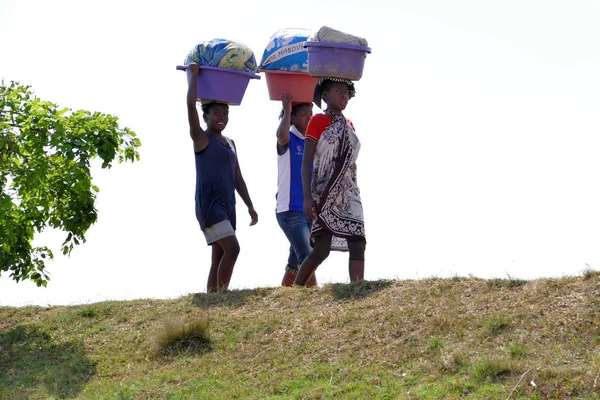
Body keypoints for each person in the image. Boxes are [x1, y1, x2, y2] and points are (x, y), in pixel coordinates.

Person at [186, 62, 258, 293]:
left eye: (225, 113)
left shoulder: (231, 143)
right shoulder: (201, 139)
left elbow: (238, 178)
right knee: (233, 249)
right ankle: (223, 294)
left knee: (218, 254)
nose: (221, 117)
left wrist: (250, 206)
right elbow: (189, 106)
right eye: (216, 113)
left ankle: (212, 297)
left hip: (229, 205)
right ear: (205, 116)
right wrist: (193, 77)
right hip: (209, 204)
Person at [294, 76, 366, 286]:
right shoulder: (317, 121)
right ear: (325, 96)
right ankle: (296, 291)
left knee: (358, 239)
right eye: (338, 91)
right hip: (324, 191)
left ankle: (358, 290)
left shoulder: (349, 124)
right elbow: (306, 162)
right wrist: (307, 198)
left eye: (346, 92)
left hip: (349, 193)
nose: (344, 96)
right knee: (321, 249)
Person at [275, 92, 317, 287]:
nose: (308, 118)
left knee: (294, 260)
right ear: (292, 117)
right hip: (290, 209)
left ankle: (285, 295)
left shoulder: (311, 143)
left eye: (311, 114)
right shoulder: (289, 137)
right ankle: (313, 295)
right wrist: (287, 110)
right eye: (303, 115)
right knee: (307, 255)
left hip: (308, 210)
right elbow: (280, 136)